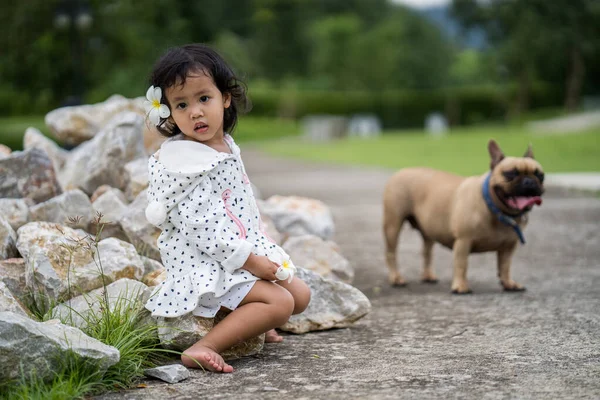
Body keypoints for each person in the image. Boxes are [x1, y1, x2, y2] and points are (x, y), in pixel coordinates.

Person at [142, 44, 311, 373]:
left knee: (300, 296)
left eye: (204, 98)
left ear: (225, 98)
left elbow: (238, 205)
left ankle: (252, 322)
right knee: (281, 302)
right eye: (181, 104)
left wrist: (257, 249)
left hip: (237, 248)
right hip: (204, 259)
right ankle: (203, 347)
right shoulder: (186, 163)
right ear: (169, 113)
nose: (195, 112)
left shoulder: (223, 145)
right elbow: (202, 229)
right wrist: (251, 262)